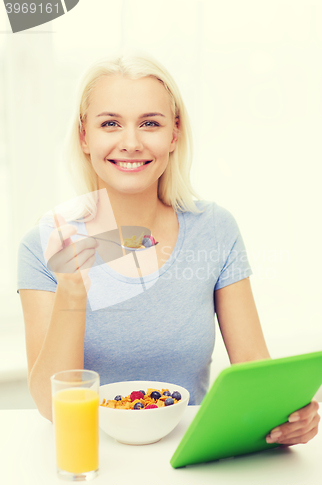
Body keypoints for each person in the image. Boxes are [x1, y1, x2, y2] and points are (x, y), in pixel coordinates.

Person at [17, 53, 319, 446]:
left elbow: (254, 370)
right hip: (88, 460)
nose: (130, 142)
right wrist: (73, 288)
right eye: (110, 123)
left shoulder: (214, 229)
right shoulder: (44, 244)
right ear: (84, 136)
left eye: (150, 124)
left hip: (195, 454)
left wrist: (286, 417)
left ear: (174, 134)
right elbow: (51, 406)